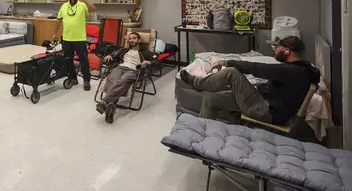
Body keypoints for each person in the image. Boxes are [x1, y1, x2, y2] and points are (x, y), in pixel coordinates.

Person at [180, 36, 320, 125]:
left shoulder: (293, 71)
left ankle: (197, 84)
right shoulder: (298, 70)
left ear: (287, 51)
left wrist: (227, 62)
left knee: (231, 72)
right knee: (211, 99)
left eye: (277, 47)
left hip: (267, 110)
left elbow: (260, 68)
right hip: (265, 103)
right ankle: (203, 136)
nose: (274, 50)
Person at [96, 32, 159, 123]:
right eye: (130, 38)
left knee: (123, 80)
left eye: (134, 38)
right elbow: (114, 55)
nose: (131, 40)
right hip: (120, 67)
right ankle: (109, 105)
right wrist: (111, 55)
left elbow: (157, 60)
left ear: (139, 40)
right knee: (113, 79)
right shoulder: (124, 50)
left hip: (133, 70)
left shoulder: (145, 51)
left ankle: (106, 103)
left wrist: (149, 62)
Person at [53, 0, 96, 91]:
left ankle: (86, 81)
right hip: (67, 38)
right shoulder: (64, 6)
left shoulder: (82, 5)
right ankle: (73, 78)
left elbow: (92, 8)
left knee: (84, 60)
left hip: (80, 39)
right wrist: (54, 33)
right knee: (68, 60)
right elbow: (58, 20)